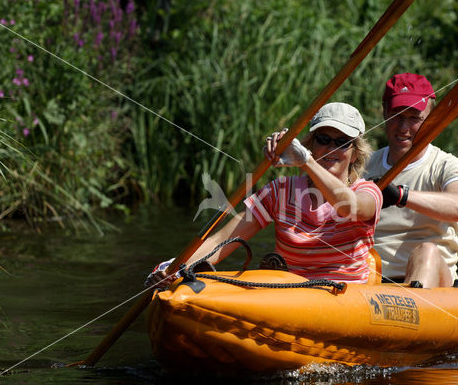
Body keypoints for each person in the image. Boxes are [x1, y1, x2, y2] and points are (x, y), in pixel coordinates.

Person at [147, 102, 383, 287]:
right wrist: (172, 267)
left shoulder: (368, 191)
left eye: (343, 142)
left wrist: (306, 162)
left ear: (355, 154)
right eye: (323, 140)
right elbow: (220, 241)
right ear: (311, 144)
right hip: (289, 292)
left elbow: (348, 207)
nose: (332, 149)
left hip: (345, 295)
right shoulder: (279, 191)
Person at [364, 73, 458, 288]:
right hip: (371, 281)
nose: (404, 127)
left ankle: (412, 310)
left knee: (427, 251)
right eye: (397, 115)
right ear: (385, 113)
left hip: (431, 280)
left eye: (414, 118)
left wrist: (401, 196)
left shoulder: (448, 167)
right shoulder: (363, 165)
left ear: (431, 119)